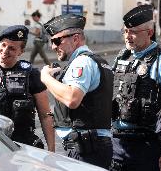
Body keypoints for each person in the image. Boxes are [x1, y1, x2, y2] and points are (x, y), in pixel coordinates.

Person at [110, 4, 161, 171]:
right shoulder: (121, 57)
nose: (128, 36)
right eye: (125, 31)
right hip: (116, 143)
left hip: (147, 145)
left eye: (133, 32)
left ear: (149, 32)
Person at [40, 14, 113, 169]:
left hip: (87, 149)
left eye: (57, 41)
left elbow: (72, 98)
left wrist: (46, 78)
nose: (53, 46)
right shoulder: (96, 60)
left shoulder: (82, 62)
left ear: (76, 38)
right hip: (90, 146)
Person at [0, 25, 55, 152]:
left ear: (21, 52)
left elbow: (45, 116)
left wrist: (51, 150)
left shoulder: (32, 75)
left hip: (22, 147)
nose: (5, 50)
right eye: (3, 45)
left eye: (12, 48)